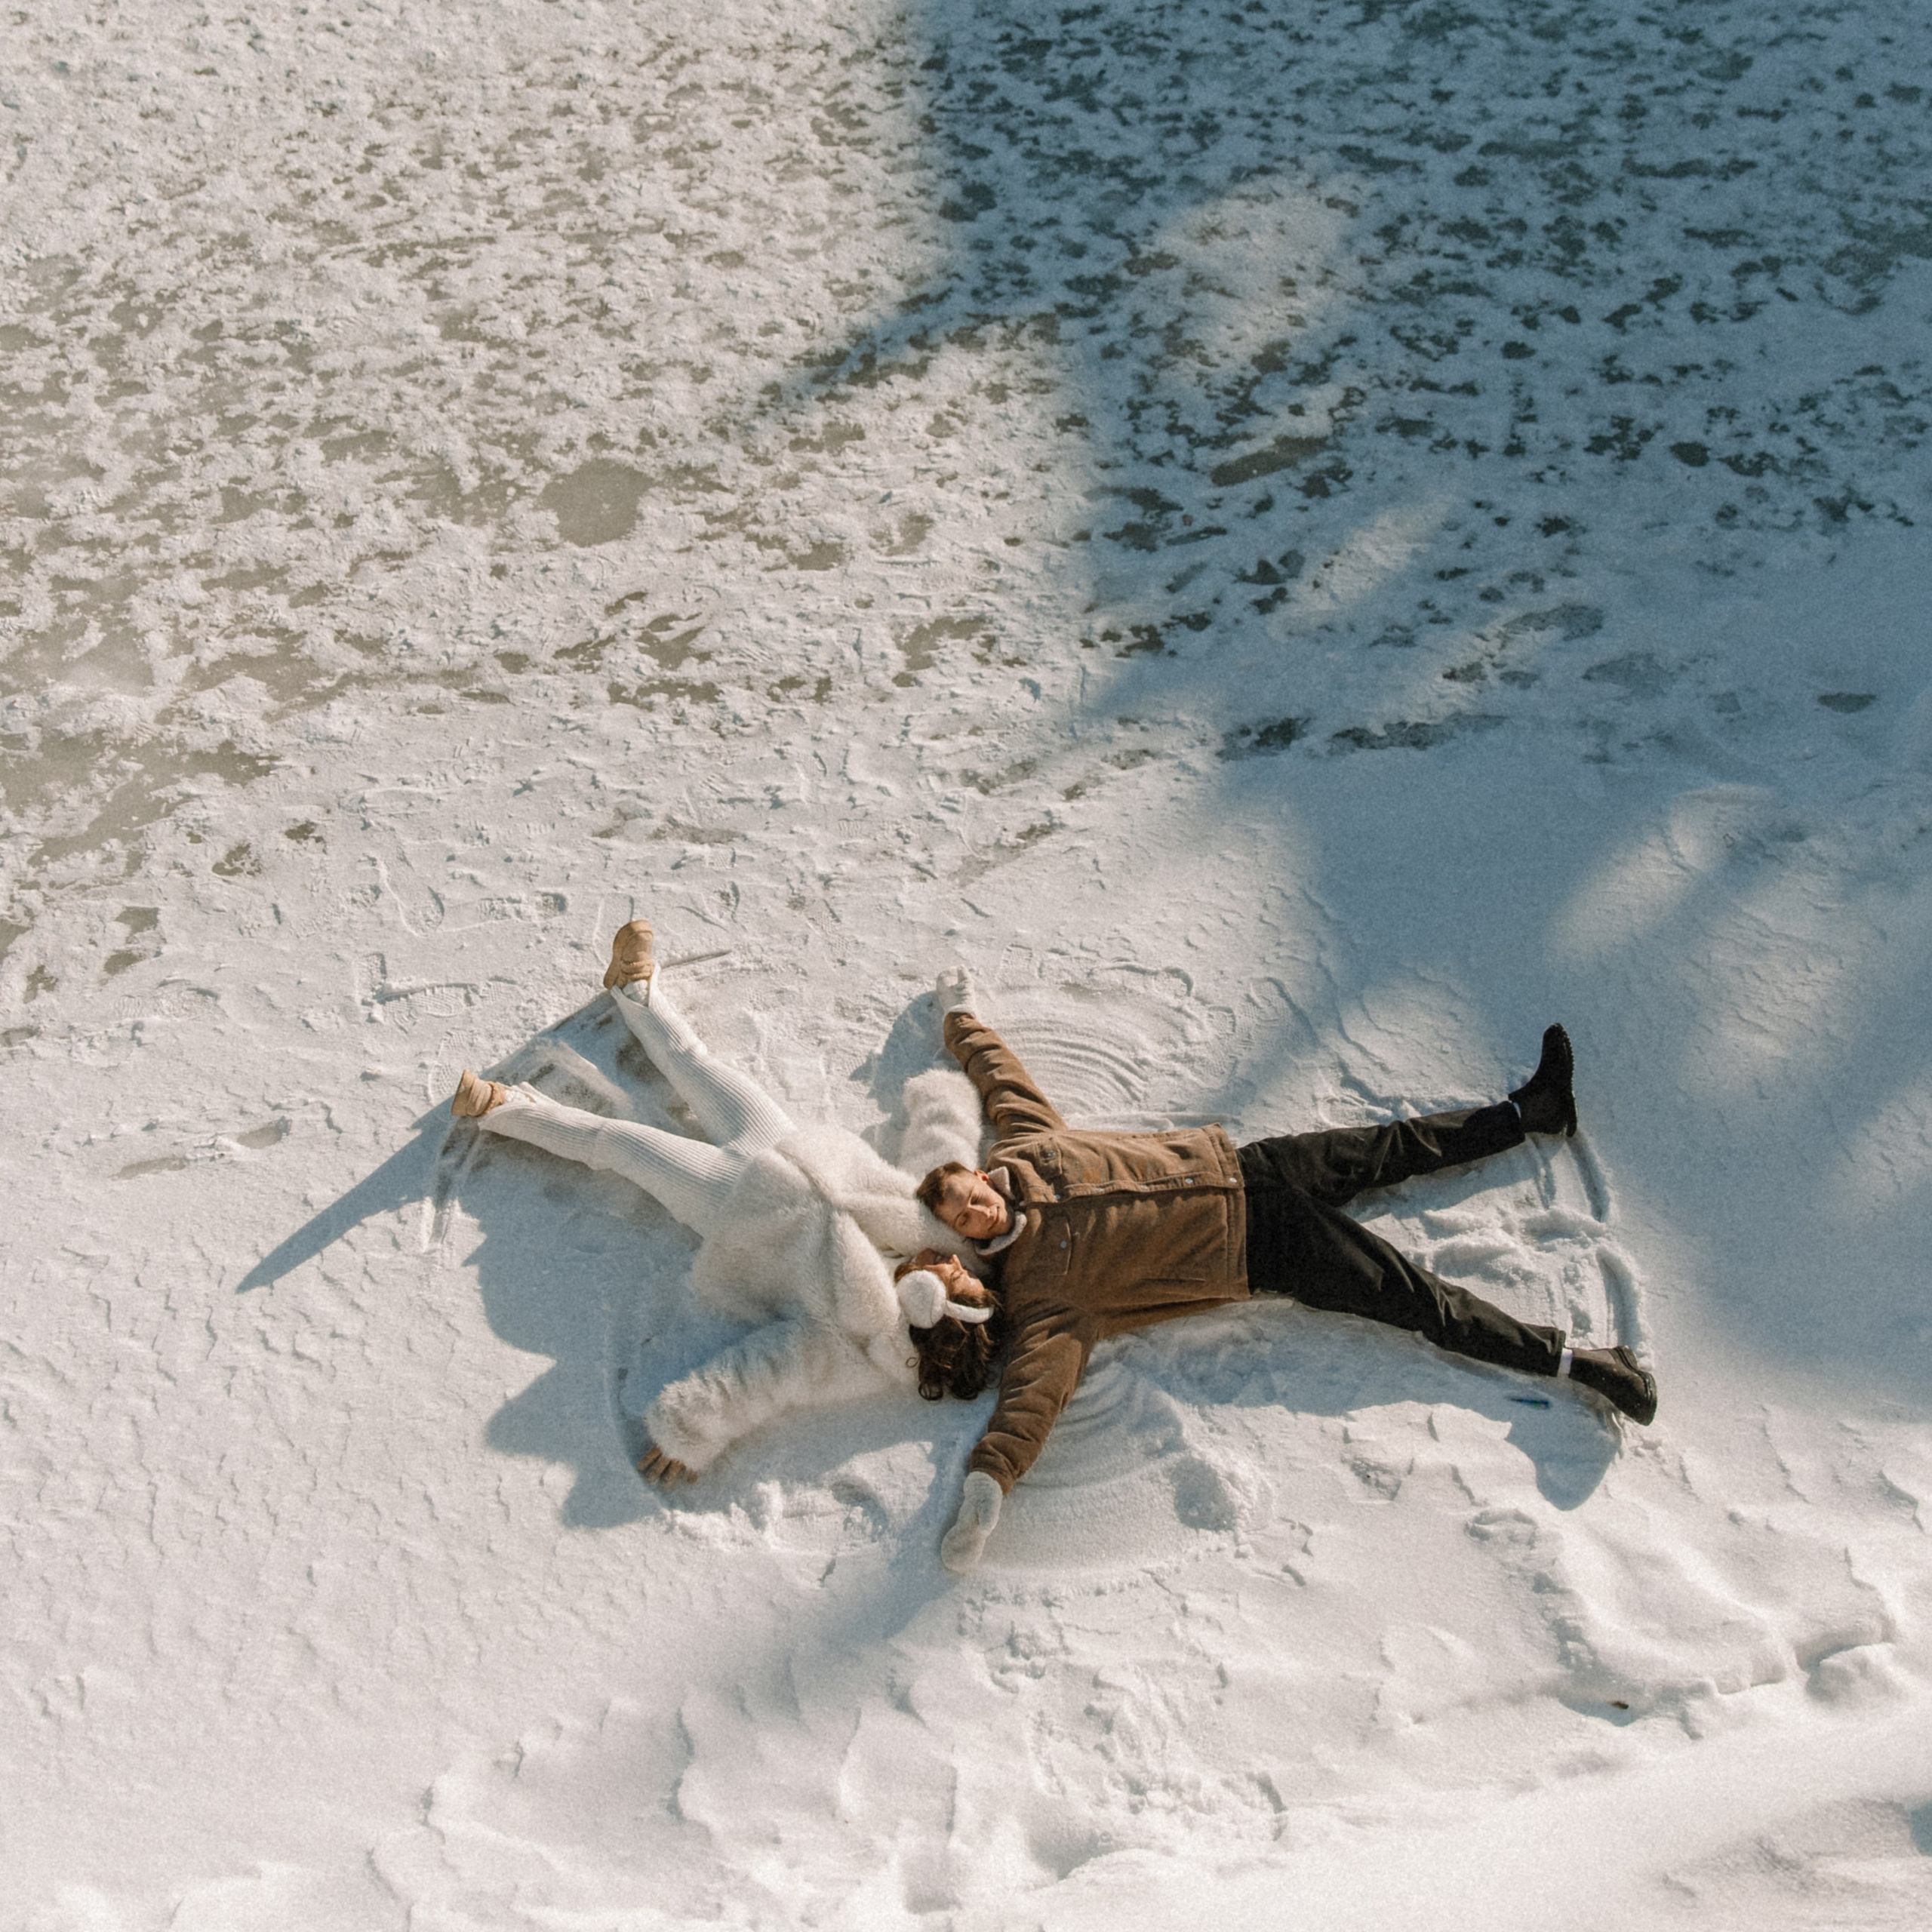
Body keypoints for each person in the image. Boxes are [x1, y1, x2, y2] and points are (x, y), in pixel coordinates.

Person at [921, 974, 1658, 1573]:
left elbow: (999, 1077)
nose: (978, 1208)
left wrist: (960, 1020)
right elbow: (1030, 1397)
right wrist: (988, 1485)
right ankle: (1588, 1364)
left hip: (1246, 1167)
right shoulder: (1044, 1294)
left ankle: (1533, 1110)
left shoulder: (1029, 1146)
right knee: (1420, 1302)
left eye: (970, 1191)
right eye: (962, 1217)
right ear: (961, 1235)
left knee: (1391, 1146)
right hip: (1263, 1250)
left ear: (979, 1172)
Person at [448, 922, 992, 1482]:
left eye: (953, 1279)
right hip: (783, 1144)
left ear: (927, 1302)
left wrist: (690, 1431)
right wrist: (947, 1093)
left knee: (620, 1145)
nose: (954, 1263)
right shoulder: (937, 1236)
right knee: (698, 1065)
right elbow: (940, 1157)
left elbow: (764, 1375)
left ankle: (502, 1109)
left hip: (731, 1204)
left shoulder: (852, 1344)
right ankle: (636, 988)